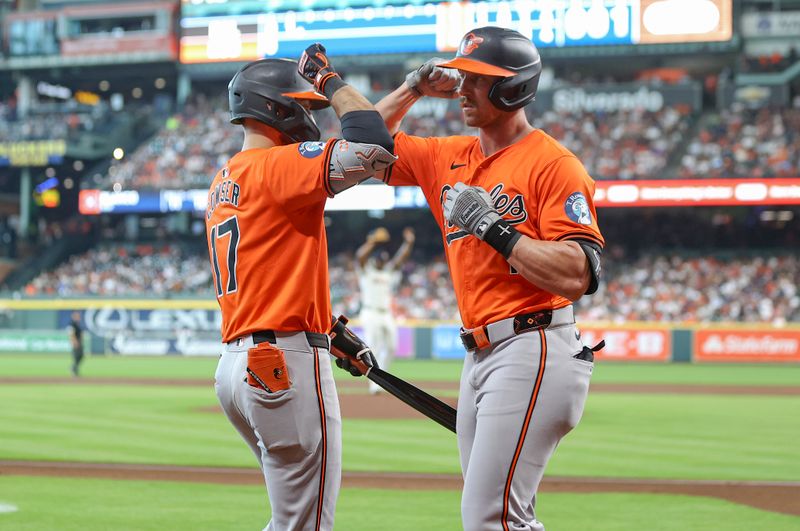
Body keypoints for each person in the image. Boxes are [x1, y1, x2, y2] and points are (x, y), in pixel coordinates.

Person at [374, 26, 605, 530]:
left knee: (490, 517)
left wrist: (495, 231)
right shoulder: (447, 156)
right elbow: (365, 142)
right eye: (462, 77)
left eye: (477, 80)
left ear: (514, 88)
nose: (462, 89)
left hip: (534, 343)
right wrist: (412, 89)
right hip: (480, 354)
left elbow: (581, 273)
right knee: (504, 517)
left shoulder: (554, 164)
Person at [207, 47, 395, 530]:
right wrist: (328, 80)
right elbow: (373, 146)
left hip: (237, 368)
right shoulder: (281, 167)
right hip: (283, 363)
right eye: (304, 105)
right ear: (277, 108)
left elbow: (268, 272)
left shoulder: (227, 178)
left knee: (290, 519)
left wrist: (329, 330)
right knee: (306, 525)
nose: (310, 115)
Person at [355, 226, 415, 393]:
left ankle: (381, 376)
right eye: (379, 260)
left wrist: (408, 243)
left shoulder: (388, 272)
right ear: (374, 260)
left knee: (391, 347)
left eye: (383, 260)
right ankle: (374, 384)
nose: (381, 262)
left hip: (386, 314)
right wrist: (372, 242)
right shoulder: (366, 271)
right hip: (370, 312)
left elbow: (400, 260)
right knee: (373, 347)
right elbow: (360, 256)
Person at [67, 311, 84, 377]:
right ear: (73, 317)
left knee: (80, 356)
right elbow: (71, 334)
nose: (79, 317)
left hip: (79, 341)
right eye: (77, 316)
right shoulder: (72, 324)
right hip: (75, 342)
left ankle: (73, 367)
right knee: (76, 356)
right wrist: (74, 341)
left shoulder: (78, 324)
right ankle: (74, 370)